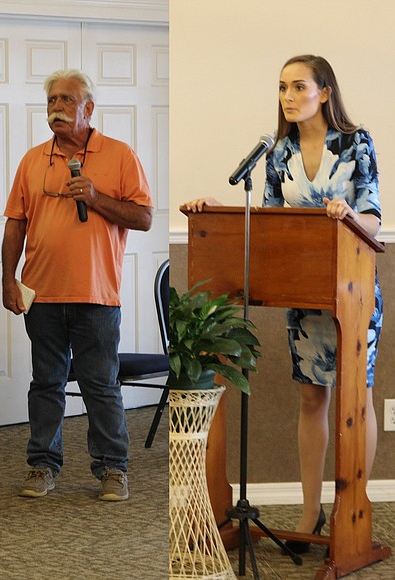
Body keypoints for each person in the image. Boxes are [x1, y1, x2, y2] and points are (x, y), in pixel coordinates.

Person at [183, 54, 380, 553]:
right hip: (304, 293)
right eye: (282, 88)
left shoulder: (356, 142)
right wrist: (213, 209)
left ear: (325, 92)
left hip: (352, 292)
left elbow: (374, 220)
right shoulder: (276, 153)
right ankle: (311, 513)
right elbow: (269, 224)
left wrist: (349, 215)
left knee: (356, 399)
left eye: (298, 87)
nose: (288, 97)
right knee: (313, 399)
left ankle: (349, 510)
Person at [1, 69, 153, 502]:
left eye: (67, 101)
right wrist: (7, 279)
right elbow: (15, 224)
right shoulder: (33, 160)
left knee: (100, 385)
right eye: (51, 101)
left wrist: (96, 198)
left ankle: (112, 469)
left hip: (96, 295)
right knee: (45, 384)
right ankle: (42, 465)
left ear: (89, 108)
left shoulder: (119, 156)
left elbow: (142, 218)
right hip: (42, 295)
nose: (57, 108)